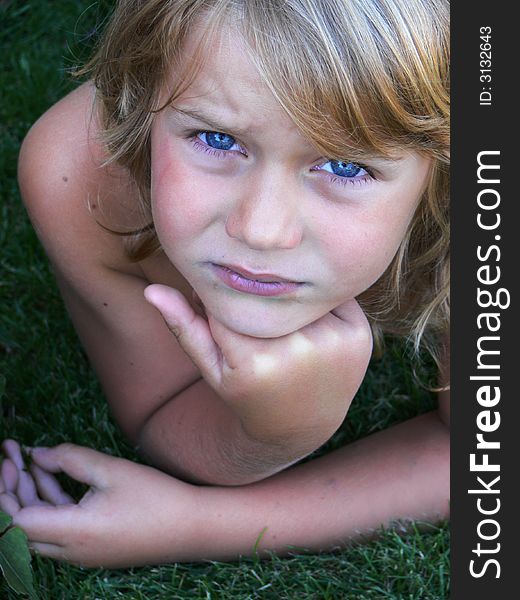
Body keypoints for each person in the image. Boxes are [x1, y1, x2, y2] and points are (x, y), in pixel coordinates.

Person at [0, 0, 449, 568]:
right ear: (140, 101)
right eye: (216, 139)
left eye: (344, 166)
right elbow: (161, 409)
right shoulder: (79, 177)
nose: (261, 230)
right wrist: (273, 432)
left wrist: (201, 525)